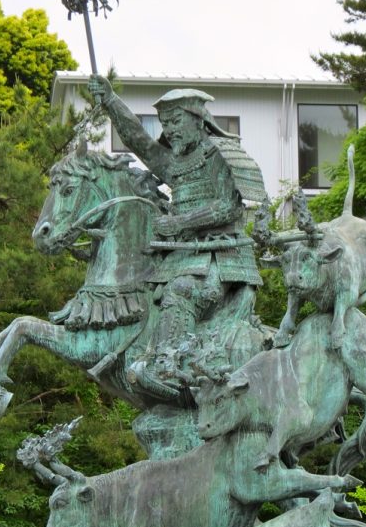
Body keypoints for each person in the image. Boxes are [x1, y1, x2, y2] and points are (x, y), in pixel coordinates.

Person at [87, 76, 263, 399]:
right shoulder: (175, 162)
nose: (169, 130)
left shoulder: (218, 155)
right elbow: (139, 141)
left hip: (221, 257)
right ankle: (152, 360)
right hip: (182, 255)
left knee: (183, 291)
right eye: (165, 123)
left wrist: (180, 220)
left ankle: (171, 366)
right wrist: (111, 102)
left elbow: (228, 206)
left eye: (175, 121)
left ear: (197, 120)